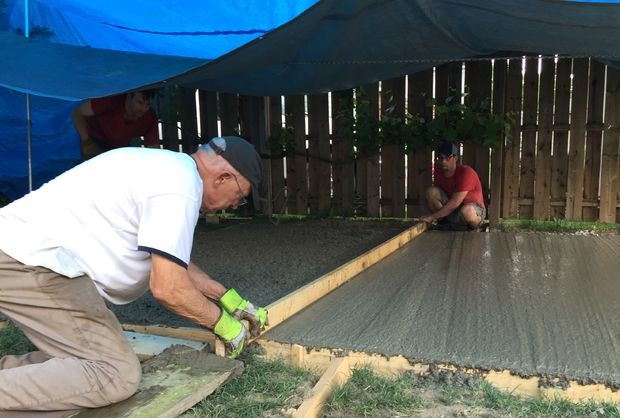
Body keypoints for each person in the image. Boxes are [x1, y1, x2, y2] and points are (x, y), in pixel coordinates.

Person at [0, 136, 267, 411]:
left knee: (82, 363)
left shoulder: (170, 170)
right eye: (239, 196)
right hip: (35, 262)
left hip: (25, 254)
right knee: (115, 373)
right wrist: (224, 325)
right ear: (223, 177)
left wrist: (228, 299)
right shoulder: (179, 187)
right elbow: (168, 287)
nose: (235, 205)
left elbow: (171, 261)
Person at [72, 89, 159, 159]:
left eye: (148, 104)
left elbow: (154, 151)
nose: (144, 109)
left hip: (120, 147)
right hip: (94, 140)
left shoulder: (149, 117)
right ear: (129, 96)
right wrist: (86, 141)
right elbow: (77, 112)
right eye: (140, 103)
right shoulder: (110, 100)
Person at [420, 142, 486, 231]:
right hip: (453, 210)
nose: (443, 161)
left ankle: (474, 228)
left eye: (448, 158)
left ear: (455, 158)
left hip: (473, 209)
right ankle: (446, 224)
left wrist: (431, 217)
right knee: (431, 192)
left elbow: (455, 202)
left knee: (467, 211)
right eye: (441, 158)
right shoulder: (439, 172)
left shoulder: (466, 173)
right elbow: (439, 198)